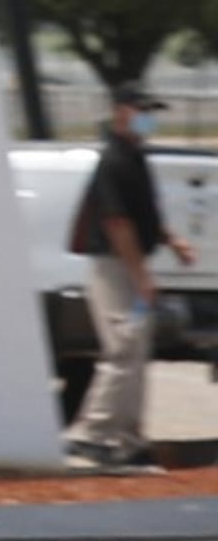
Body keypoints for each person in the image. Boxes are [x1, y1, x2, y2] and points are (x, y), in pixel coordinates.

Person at [63, 86, 195, 471]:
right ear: (120, 111)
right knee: (123, 347)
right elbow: (118, 223)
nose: (148, 116)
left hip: (129, 267)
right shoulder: (115, 160)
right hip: (116, 268)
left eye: (151, 110)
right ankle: (92, 436)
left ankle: (127, 437)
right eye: (142, 109)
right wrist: (141, 277)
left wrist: (173, 241)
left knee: (135, 349)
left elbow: (141, 215)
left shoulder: (135, 157)